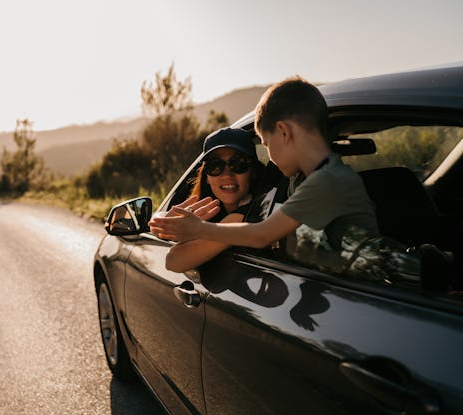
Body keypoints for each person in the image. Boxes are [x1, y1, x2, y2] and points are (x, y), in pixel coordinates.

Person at [149, 76, 378, 257]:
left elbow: (261, 235)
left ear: (283, 131)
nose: (270, 155)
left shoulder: (327, 181)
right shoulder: (303, 180)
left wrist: (198, 229)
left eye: (266, 144)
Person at [162, 127, 264, 272]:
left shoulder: (257, 211)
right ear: (207, 177)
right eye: (215, 166)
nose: (227, 175)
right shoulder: (210, 212)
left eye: (238, 164)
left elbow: (173, 261)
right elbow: (172, 261)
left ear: (253, 171)